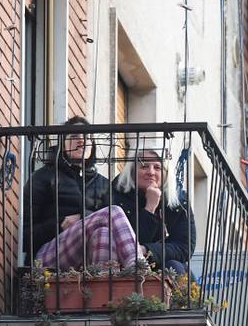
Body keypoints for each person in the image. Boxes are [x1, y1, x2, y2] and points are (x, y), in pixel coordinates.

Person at [23, 116, 144, 270]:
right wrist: (60, 224)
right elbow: (25, 237)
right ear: (63, 144)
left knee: (104, 233)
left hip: (87, 261)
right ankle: (137, 268)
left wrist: (83, 217)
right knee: (113, 212)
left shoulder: (104, 184)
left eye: (87, 137)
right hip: (46, 259)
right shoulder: (44, 176)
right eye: (74, 136)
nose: (81, 140)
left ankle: (103, 290)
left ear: (92, 145)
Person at [111, 149, 196, 274]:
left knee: (174, 267)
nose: (151, 172)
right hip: (124, 266)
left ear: (166, 174)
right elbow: (128, 243)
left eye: (157, 167)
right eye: (144, 166)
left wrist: (147, 249)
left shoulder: (179, 202)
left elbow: (184, 247)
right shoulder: (117, 195)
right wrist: (150, 208)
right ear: (133, 171)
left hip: (164, 264)